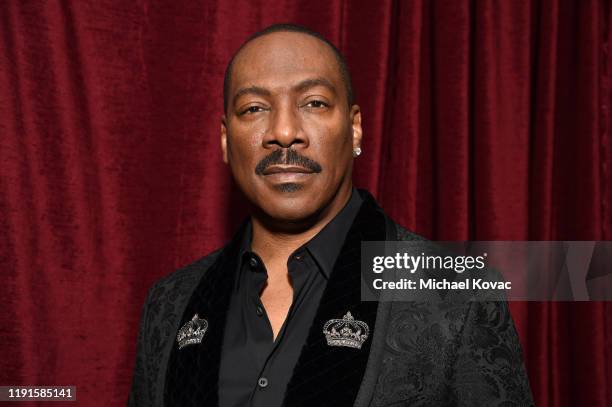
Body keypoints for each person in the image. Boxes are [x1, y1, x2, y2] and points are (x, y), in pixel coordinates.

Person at [128, 23, 533, 407]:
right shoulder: (171, 302)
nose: (284, 131)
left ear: (355, 129)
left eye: (314, 103)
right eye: (254, 108)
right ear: (225, 139)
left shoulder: (452, 293)